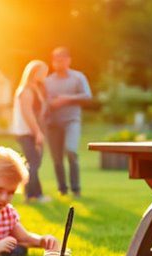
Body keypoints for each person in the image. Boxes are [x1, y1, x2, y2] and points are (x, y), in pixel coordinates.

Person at [46, 47, 92, 197]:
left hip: (72, 121)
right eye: (57, 60)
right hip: (52, 124)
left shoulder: (78, 77)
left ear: (69, 60)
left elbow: (87, 96)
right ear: (53, 62)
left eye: (63, 60)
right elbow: (43, 101)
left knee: (71, 151)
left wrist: (67, 99)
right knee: (57, 159)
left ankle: (76, 188)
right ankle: (62, 189)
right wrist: (51, 103)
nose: (60, 63)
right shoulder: (48, 81)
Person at [11, 60, 50, 203]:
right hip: (27, 132)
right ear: (34, 73)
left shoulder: (33, 88)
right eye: (43, 72)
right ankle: (32, 195)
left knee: (33, 163)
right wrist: (37, 132)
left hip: (29, 131)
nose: (45, 75)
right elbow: (27, 113)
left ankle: (34, 194)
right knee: (33, 163)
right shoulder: (26, 90)